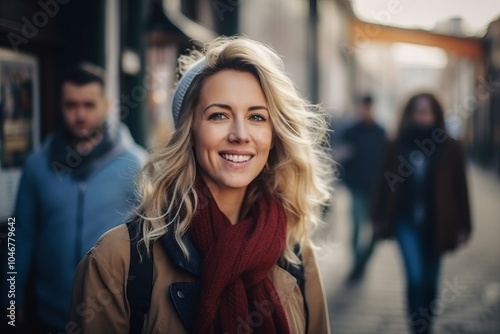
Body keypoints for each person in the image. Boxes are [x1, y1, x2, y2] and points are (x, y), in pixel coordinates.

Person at [70, 37, 333, 333]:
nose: (240, 134)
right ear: (189, 131)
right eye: (219, 115)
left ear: (274, 136)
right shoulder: (119, 259)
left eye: (257, 116)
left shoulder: (296, 253)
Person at [0, 63, 145, 333]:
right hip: (48, 316)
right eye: (71, 105)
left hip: (113, 317)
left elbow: (152, 241)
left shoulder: (136, 165)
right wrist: (10, 297)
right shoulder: (37, 166)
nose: (80, 115)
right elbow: (18, 234)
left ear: (106, 105)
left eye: (89, 105)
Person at [371, 93, 472, 334]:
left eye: (428, 110)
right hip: (406, 222)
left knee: (430, 281)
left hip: (439, 223)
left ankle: (427, 324)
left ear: (436, 114)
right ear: (409, 114)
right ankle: (418, 328)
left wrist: (464, 225)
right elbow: (383, 184)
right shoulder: (396, 144)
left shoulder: (450, 146)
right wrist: (376, 218)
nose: (423, 115)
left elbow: (461, 187)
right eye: (418, 110)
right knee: (415, 277)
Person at [339, 94, 386, 280]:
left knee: (375, 227)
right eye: (363, 107)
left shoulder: (381, 132)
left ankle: (364, 258)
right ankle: (357, 261)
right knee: (357, 223)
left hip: (376, 189)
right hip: (357, 187)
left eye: (368, 107)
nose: (365, 111)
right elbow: (340, 156)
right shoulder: (351, 131)